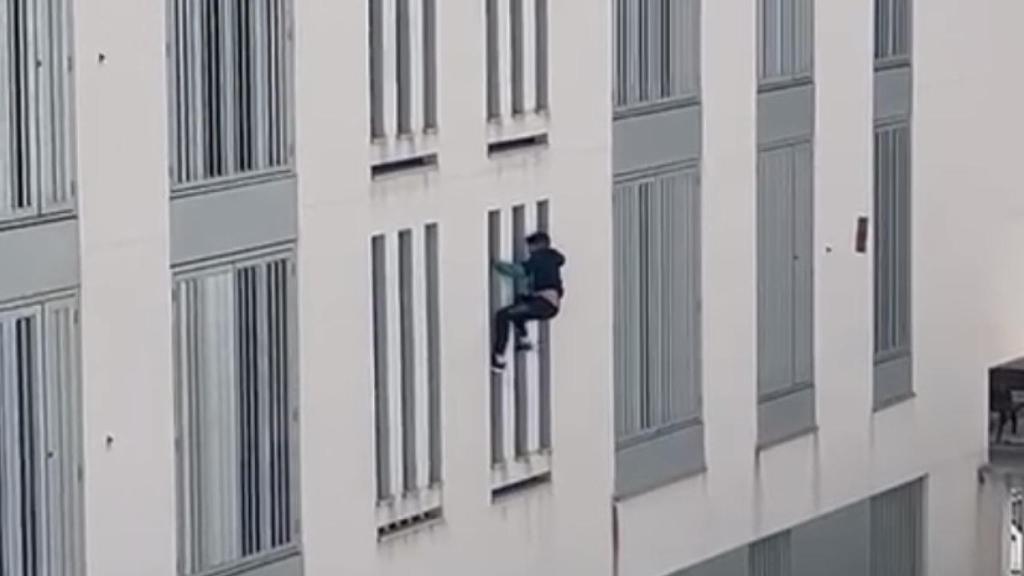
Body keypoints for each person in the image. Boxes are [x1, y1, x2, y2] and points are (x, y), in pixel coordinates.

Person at [491, 231, 565, 371]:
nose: (529, 251)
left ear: (537, 246)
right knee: (519, 304)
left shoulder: (539, 258)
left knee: (504, 315)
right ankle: (524, 340)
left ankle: (499, 358)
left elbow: (519, 272)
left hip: (543, 303)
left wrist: (497, 265)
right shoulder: (552, 259)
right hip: (549, 304)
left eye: (530, 247)